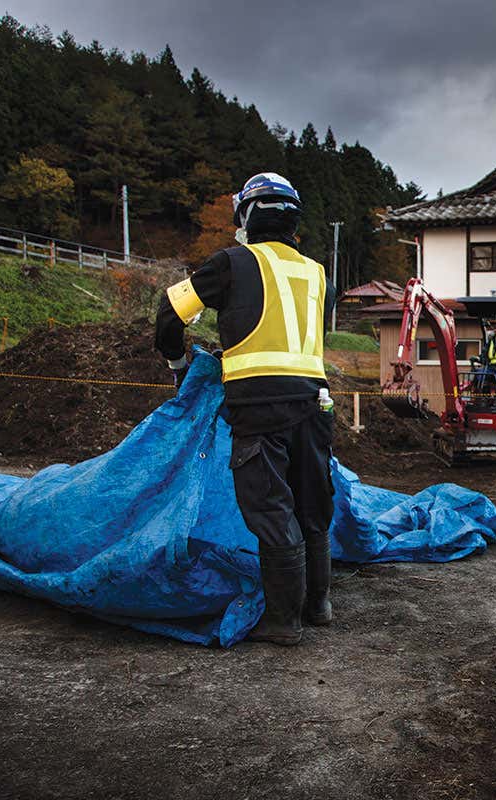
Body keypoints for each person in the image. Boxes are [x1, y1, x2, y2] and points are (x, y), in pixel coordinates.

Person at [154, 172, 336, 646]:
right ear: (293, 219)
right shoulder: (318, 273)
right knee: (313, 503)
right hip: (316, 404)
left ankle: (283, 623)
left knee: (272, 509)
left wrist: (180, 364)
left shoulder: (231, 263)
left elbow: (169, 312)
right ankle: (319, 605)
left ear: (246, 218)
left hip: (260, 409)